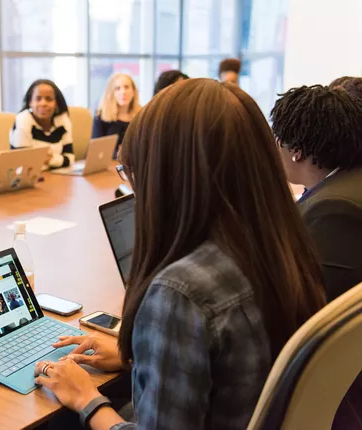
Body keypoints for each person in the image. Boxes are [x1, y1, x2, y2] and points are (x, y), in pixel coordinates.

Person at [32, 79, 325, 429]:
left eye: (135, 173)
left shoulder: (181, 292)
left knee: (57, 419)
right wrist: (140, 360)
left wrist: (86, 400)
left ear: (170, 176)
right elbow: (231, 369)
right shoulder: (282, 244)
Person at [271, 84, 362, 302]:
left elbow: (322, 296)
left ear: (296, 151)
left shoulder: (333, 208)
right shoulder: (347, 182)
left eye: (277, 140)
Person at [10, 79, 74, 170]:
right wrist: (58, 160)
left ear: (56, 103)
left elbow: (70, 159)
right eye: (38, 99)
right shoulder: (23, 119)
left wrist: (50, 159)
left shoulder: (63, 120)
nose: (43, 103)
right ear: (30, 103)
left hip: (56, 176)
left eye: (49, 99)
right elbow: (23, 165)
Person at [92, 73, 141, 158]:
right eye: (117, 88)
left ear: (133, 91)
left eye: (126, 87)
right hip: (108, 165)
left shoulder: (140, 116)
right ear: (111, 93)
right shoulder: (101, 116)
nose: (123, 92)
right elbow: (96, 152)